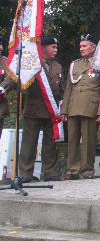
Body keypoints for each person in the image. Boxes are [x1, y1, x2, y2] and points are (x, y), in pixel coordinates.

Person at [0, 36, 64, 181]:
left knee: (50, 145)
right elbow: (14, 79)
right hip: (33, 109)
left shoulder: (58, 66)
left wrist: (63, 106)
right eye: (52, 47)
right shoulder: (31, 63)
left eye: (56, 47)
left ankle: (50, 173)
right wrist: (3, 89)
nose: (56, 49)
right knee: (29, 145)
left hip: (51, 111)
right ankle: (25, 174)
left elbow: (61, 89)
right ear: (43, 48)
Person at [60, 35, 100, 180]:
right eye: (80, 46)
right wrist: (64, 110)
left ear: (94, 47)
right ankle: (72, 169)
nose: (81, 49)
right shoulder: (74, 64)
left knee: (89, 141)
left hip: (91, 107)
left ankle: (87, 169)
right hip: (73, 106)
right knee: (72, 140)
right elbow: (69, 88)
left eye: (85, 46)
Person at [0, 36, 8, 139]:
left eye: (1, 44)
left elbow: (10, 79)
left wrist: (1, 88)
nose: (1, 47)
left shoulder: (6, 61)